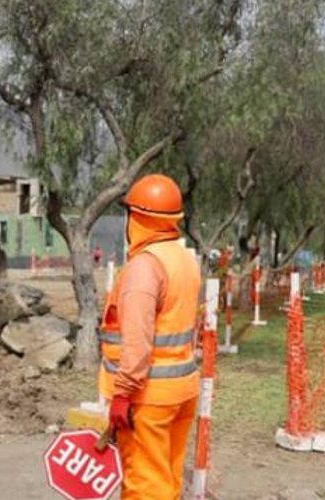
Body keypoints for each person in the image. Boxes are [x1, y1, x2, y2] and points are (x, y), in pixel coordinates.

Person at [97, 174, 201, 500]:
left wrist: (123, 395)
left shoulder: (144, 267)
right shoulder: (183, 258)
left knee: (144, 488)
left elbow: (138, 343)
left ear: (137, 218)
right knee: (166, 482)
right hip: (181, 390)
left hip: (148, 398)